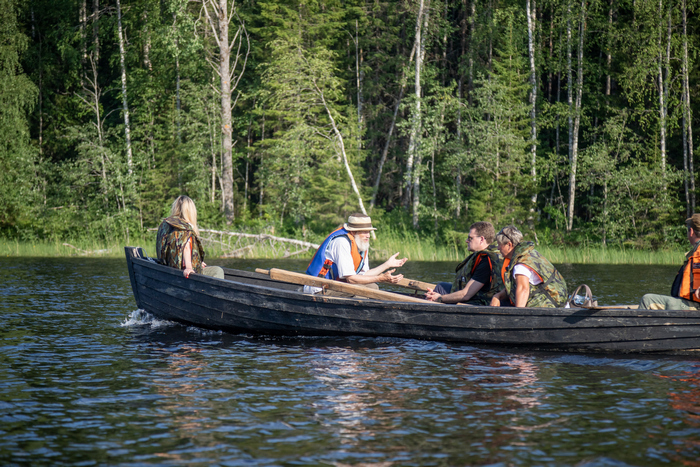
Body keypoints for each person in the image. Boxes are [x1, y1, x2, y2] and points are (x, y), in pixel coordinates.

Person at [304, 213, 407, 296]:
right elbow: (351, 279)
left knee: (373, 287)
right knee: (365, 290)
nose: (368, 236)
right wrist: (380, 278)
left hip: (334, 286)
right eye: (364, 232)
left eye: (369, 232)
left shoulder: (361, 244)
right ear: (353, 232)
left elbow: (364, 275)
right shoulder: (342, 242)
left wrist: (387, 265)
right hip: (318, 288)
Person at [424, 221, 503, 305]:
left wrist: (439, 298)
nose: (466, 241)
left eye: (470, 238)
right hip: (476, 295)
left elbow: (466, 295)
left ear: (482, 239)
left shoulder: (486, 261)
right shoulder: (491, 254)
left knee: (439, 291)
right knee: (441, 286)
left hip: (482, 302)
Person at [490, 225, 567, 308]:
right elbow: (513, 287)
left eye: (499, 244)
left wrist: (517, 317)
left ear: (509, 245)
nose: (498, 248)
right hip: (559, 303)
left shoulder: (520, 264)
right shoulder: (529, 253)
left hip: (550, 308)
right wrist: (498, 296)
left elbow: (523, 289)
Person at [639, 214, 700, 310]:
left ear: (691, 231)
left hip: (694, 306)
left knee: (647, 300)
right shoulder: (695, 252)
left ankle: (637, 324)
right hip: (688, 302)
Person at [156, 195, 224, 280]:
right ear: (190, 211)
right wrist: (189, 267)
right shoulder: (185, 228)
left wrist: (198, 261)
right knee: (217, 270)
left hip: (169, 268)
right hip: (183, 271)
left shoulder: (165, 224)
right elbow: (186, 247)